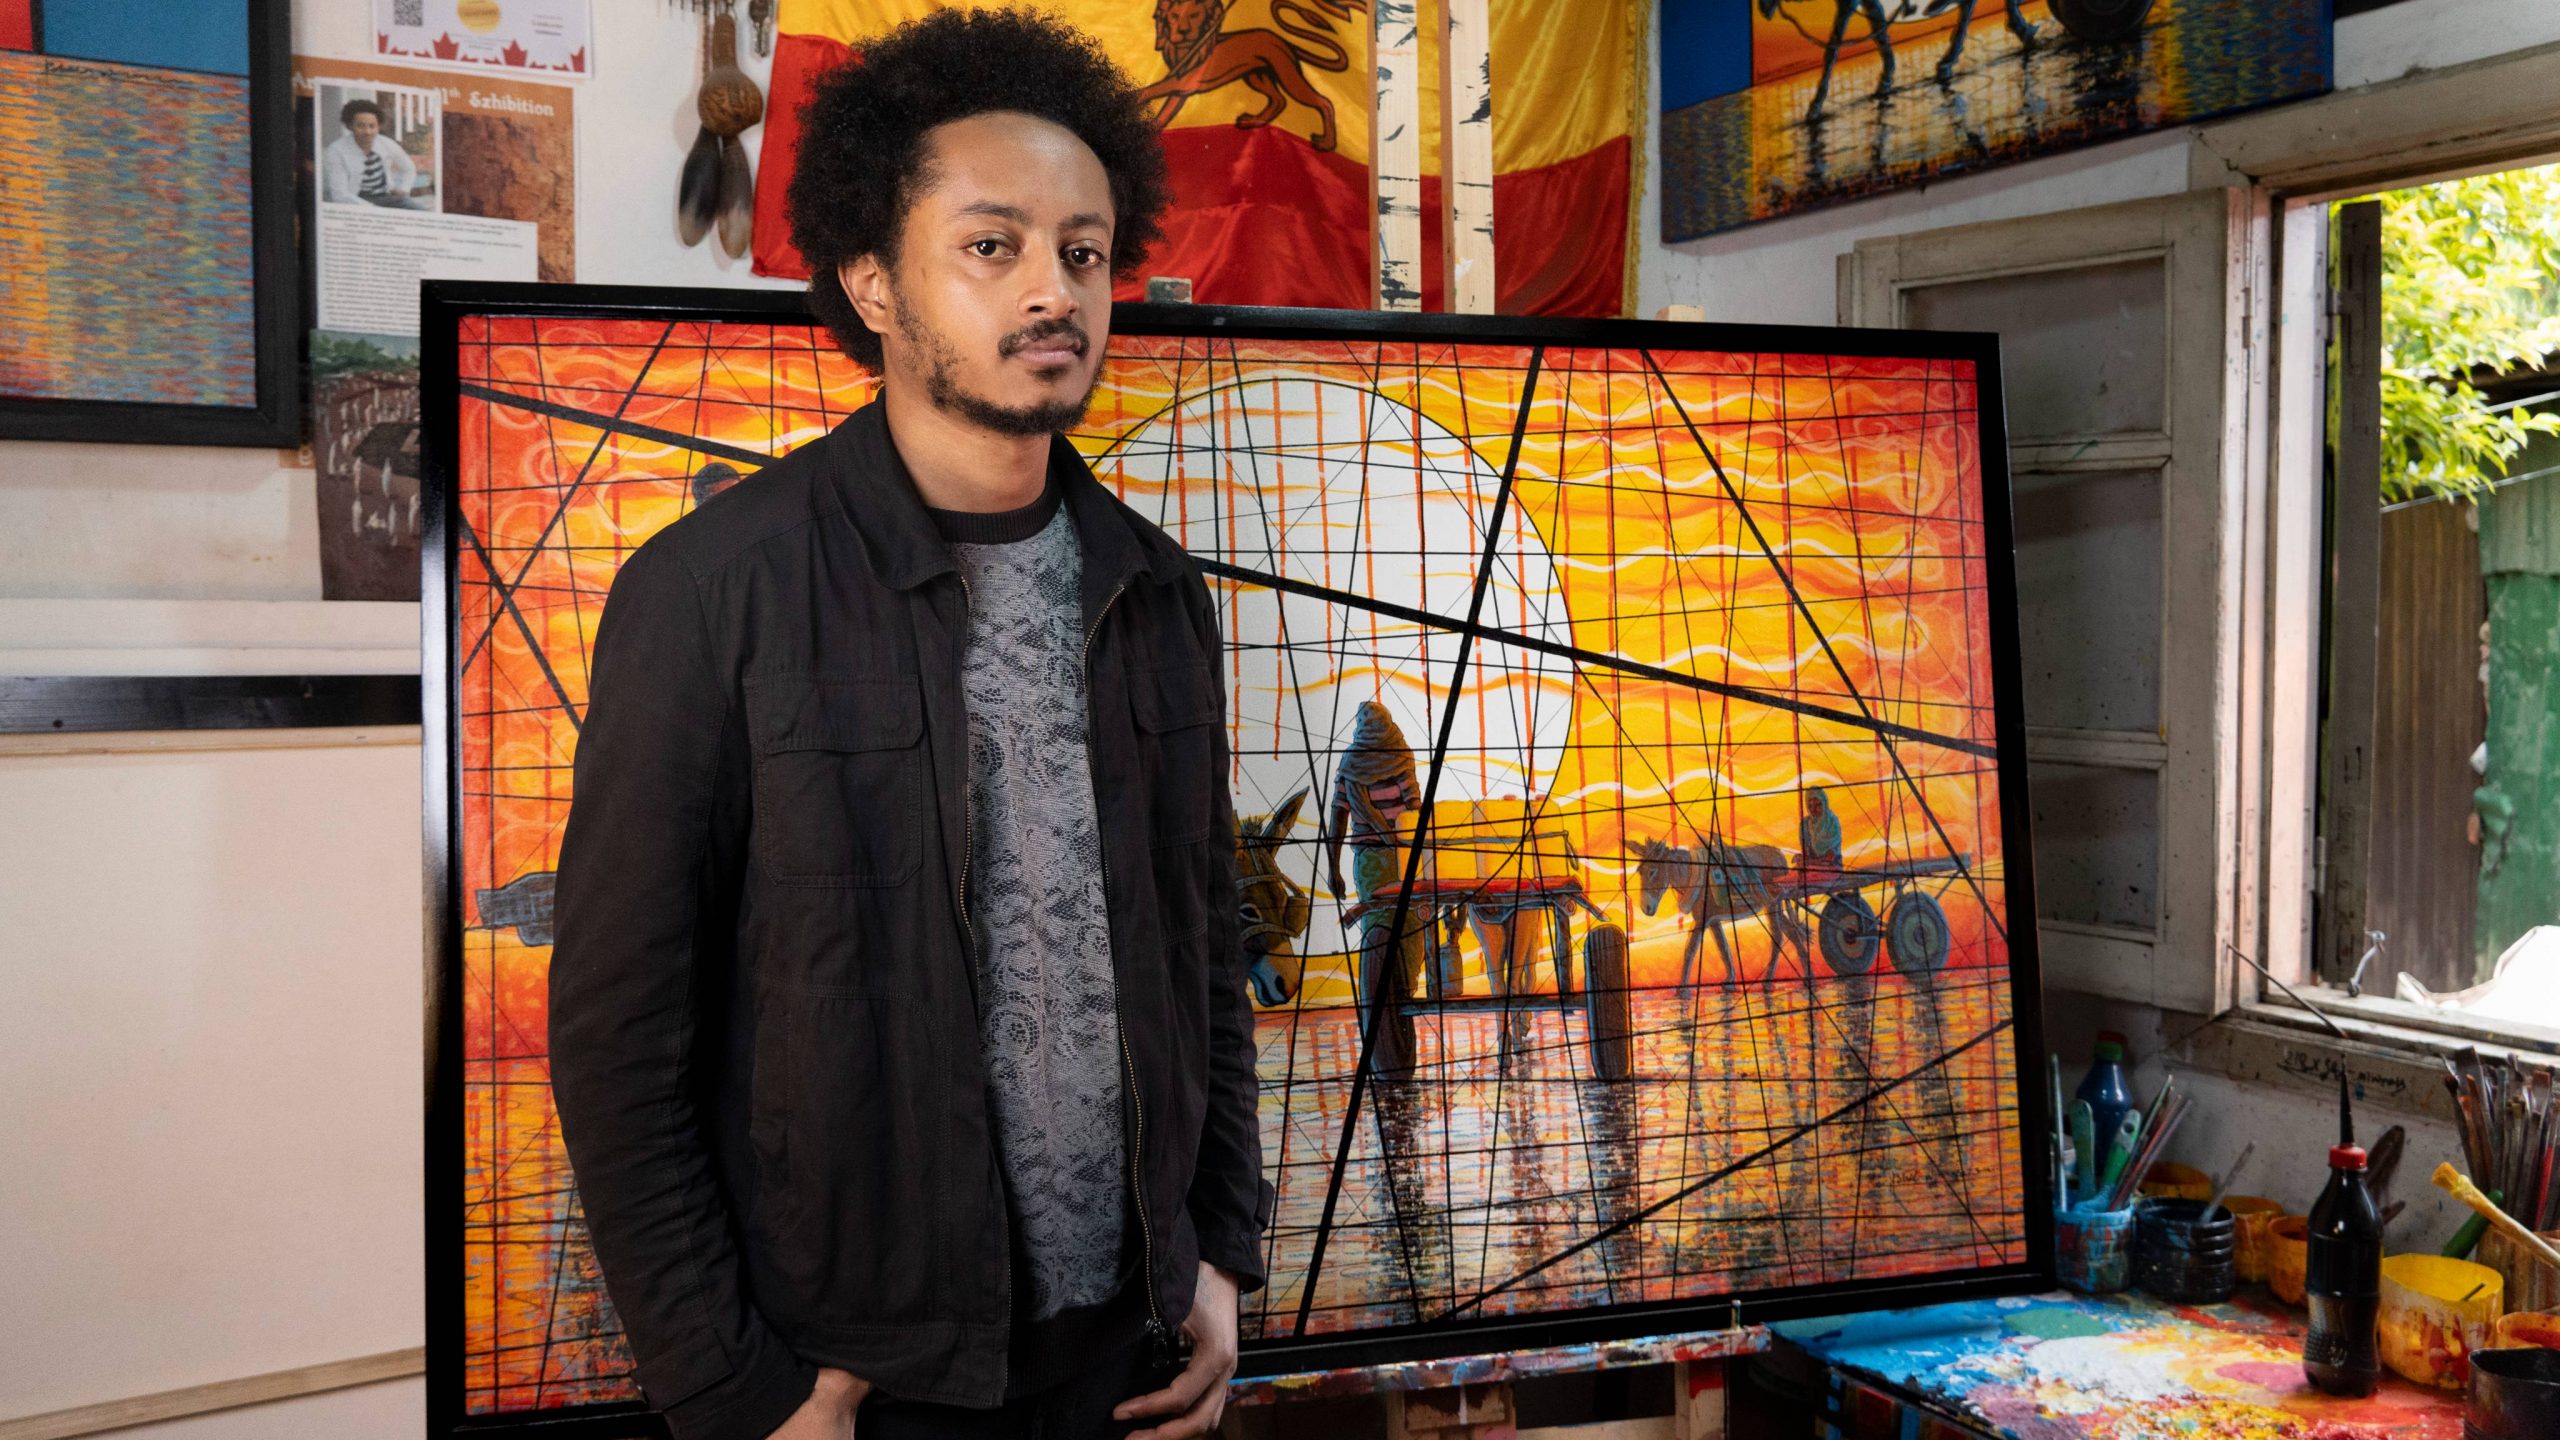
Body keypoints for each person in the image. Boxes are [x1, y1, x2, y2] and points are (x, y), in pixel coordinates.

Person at [547, 12, 1270, 1440]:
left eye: (1082, 252)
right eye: (992, 246)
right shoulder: (711, 593)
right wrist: (734, 1387)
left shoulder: (1156, 591)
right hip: (857, 1384)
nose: (1053, 290)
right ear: (872, 282)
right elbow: (619, 1036)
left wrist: (1220, 1256)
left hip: (1125, 1361)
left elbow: (1203, 953)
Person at [320, 98, 426, 208]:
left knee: (420, 211)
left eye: (372, 126)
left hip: (387, 197)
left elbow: (409, 168)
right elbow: (339, 194)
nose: (367, 132)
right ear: (349, 126)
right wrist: (373, 210)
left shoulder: (386, 143)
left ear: (378, 127)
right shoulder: (337, 150)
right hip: (355, 202)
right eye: (360, 126)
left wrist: (403, 189)